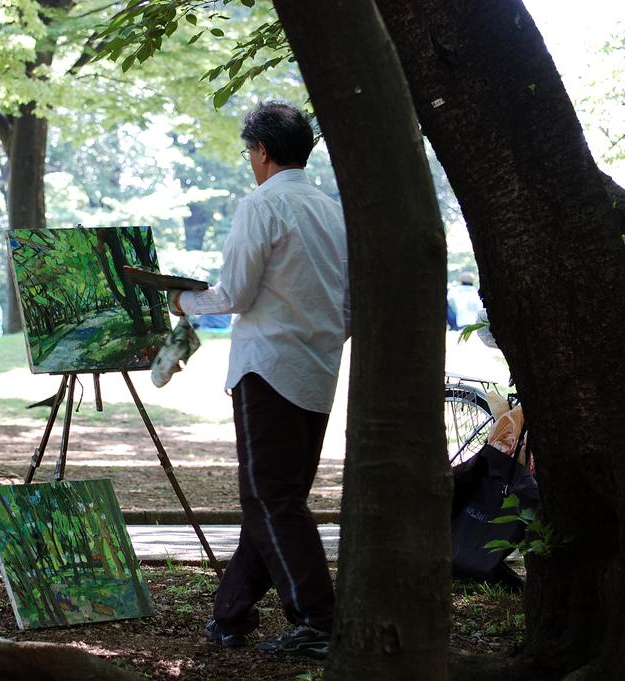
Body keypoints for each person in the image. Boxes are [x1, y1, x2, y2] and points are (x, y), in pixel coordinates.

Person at [169, 101, 349, 660]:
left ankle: (319, 620)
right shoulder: (333, 209)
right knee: (277, 498)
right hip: (317, 369)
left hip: (267, 369)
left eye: (250, 152)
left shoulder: (262, 203)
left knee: (270, 499)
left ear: (263, 152)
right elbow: (351, 304)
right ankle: (230, 615)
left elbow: (236, 295)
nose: (250, 161)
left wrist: (182, 299)